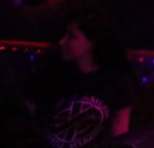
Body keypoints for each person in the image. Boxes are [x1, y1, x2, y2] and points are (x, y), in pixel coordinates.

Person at [25, 13, 138, 148]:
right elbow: (25, 123)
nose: (62, 42)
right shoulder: (47, 77)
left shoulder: (117, 82)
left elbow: (119, 133)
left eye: (71, 36)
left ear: (92, 41)